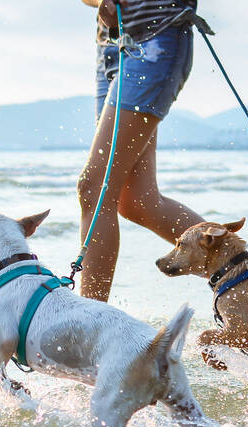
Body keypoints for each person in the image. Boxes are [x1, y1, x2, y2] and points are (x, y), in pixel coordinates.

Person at [78, 0, 205, 301]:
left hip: (157, 37)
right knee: (138, 202)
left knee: (93, 188)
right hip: (111, 48)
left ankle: (87, 324)